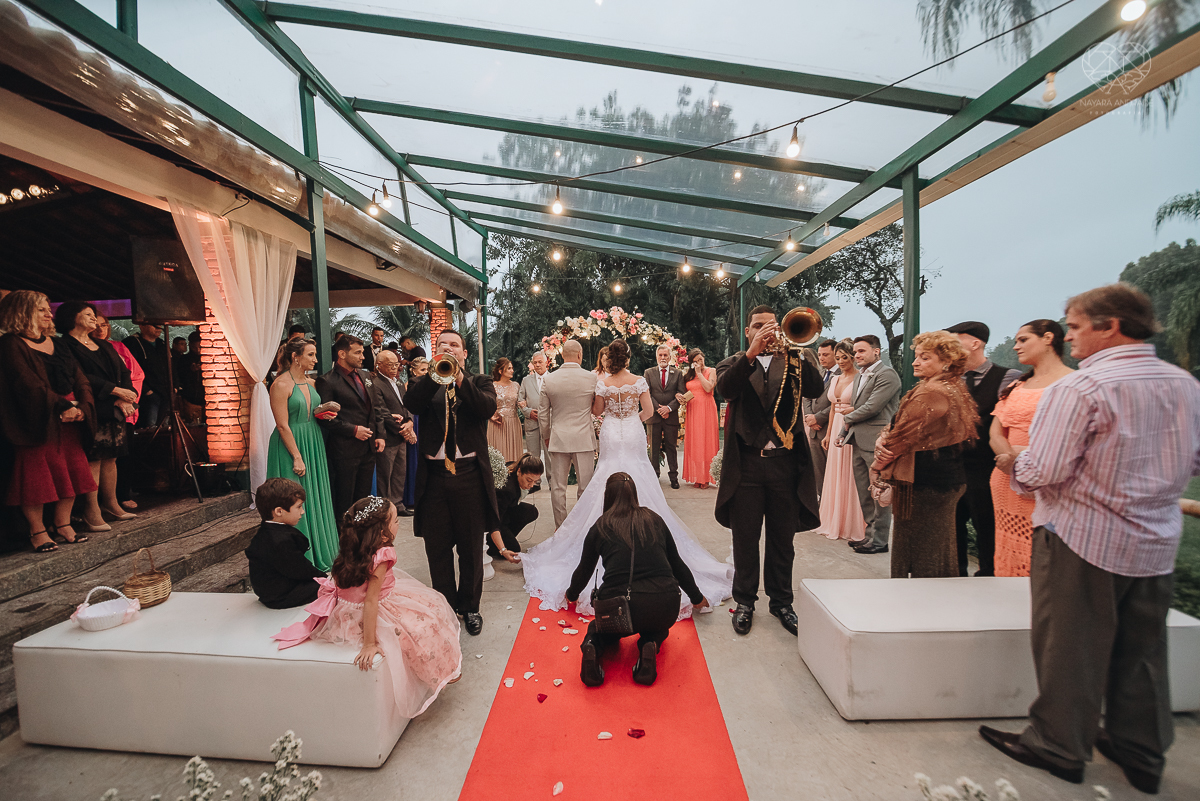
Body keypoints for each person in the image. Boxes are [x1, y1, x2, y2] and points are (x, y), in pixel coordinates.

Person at [980, 284, 1200, 793]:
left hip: (1082, 538)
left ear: (1111, 326)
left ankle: (1059, 744)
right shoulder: (1183, 383)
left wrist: (1015, 461)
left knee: (1069, 645)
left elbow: (1047, 469)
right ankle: (1140, 749)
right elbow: (1191, 462)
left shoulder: (1080, 389)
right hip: (1156, 541)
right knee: (1144, 649)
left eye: (1075, 327)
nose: (1069, 337)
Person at [524, 338, 731, 618]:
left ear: (609, 360)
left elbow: (597, 411)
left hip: (610, 430)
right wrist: (631, 419)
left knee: (606, 476)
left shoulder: (602, 383)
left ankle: (606, 527)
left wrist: (612, 415)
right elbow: (647, 411)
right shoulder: (639, 381)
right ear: (629, 358)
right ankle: (646, 529)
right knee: (639, 475)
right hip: (632, 430)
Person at [273, 496, 462, 718]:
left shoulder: (352, 546)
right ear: (382, 533)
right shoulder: (382, 556)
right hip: (372, 609)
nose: (398, 525)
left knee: (431, 609)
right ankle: (440, 672)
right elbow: (371, 601)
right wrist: (369, 644)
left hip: (346, 609)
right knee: (426, 625)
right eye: (395, 522)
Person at [714, 305, 824, 636]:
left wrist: (799, 352)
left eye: (771, 326)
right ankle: (745, 601)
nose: (766, 331)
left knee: (782, 541)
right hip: (746, 466)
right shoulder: (734, 362)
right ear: (748, 332)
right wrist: (751, 355)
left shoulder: (793, 362)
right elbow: (726, 390)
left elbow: (817, 389)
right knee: (745, 538)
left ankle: (781, 602)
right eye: (758, 326)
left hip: (784, 467)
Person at [566, 472, 710, 687]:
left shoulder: (601, 526)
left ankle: (593, 647)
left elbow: (584, 570)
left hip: (618, 607)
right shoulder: (654, 520)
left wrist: (572, 594)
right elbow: (677, 564)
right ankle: (649, 643)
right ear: (634, 494)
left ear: (607, 496)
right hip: (662, 604)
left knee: (600, 628)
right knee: (658, 627)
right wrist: (697, 597)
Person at [404, 330, 500, 636]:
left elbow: (486, 408)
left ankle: (470, 607)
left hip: (468, 473)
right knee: (438, 547)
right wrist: (436, 376)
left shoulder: (479, 381)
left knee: (471, 546)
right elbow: (413, 404)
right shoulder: (424, 382)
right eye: (442, 345)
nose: (448, 348)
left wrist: (459, 378)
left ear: (464, 353)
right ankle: (445, 607)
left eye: (454, 345)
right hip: (434, 477)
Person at [872, 332, 979, 579]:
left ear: (947, 362)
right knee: (937, 549)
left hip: (927, 484)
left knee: (924, 553)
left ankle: (921, 605)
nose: (915, 362)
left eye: (925, 357)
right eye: (917, 356)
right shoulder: (953, 386)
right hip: (942, 480)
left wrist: (876, 466)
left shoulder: (932, 391)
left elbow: (900, 438)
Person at [0, 291, 97, 551]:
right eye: (41, 310)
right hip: (38, 420)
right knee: (36, 478)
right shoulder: (11, 344)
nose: (48, 314)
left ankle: (63, 523)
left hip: (71, 418)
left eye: (48, 309)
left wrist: (83, 407)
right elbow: (26, 384)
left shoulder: (58, 343)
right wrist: (62, 406)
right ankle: (37, 530)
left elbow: (80, 377)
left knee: (72, 472)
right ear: (22, 312)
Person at [989, 320, 1073, 577]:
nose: (1016, 347)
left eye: (1023, 340)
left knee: (1045, 555)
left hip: (1049, 482)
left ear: (1048, 338)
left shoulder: (1075, 384)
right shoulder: (1017, 386)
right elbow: (995, 432)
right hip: (1005, 479)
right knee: (1007, 551)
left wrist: (1022, 461)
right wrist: (1011, 460)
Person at [946, 321, 1023, 577]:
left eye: (956, 341)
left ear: (975, 343)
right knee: (952, 531)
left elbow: (1009, 422)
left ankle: (989, 578)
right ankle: (956, 581)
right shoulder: (949, 379)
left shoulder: (1008, 378)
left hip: (986, 469)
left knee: (988, 529)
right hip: (952, 468)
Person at [56, 302, 136, 528]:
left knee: (112, 457)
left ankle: (111, 503)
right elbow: (79, 376)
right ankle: (91, 510)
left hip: (114, 408)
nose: (94, 319)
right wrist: (114, 390)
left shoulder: (104, 345)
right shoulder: (64, 345)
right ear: (73, 317)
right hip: (91, 407)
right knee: (94, 458)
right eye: (88, 314)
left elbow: (124, 372)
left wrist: (126, 396)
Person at [266, 338, 340, 571]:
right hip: (291, 445)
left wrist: (323, 413)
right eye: (311, 355)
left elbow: (309, 412)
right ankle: (300, 559)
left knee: (316, 496)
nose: (316, 359)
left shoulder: (311, 383)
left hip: (314, 441)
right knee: (294, 498)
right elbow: (282, 425)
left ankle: (322, 550)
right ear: (296, 357)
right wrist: (296, 456)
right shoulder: (280, 385)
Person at [839, 335, 902, 555]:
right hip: (857, 439)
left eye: (861, 351)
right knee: (864, 493)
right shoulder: (859, 376)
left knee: (879, 492)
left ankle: (880, 541)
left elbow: (872, 407)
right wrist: (842, 432)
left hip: (877, 442)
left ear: (877, 351)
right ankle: (869, 536)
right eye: (855, 352)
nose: (857, 356)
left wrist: (845, 420)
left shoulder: (888, 375)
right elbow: (856, 407)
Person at [315, 335, 385, 522]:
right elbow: (325, 419)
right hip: (344, 451)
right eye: (358, 353)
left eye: (362, 352)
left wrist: (380, 435)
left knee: (363, 501)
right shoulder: (327, 381)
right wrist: (354, 430)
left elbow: (375, 408)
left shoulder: (365, 376)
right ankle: (344, 542)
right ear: (342, 354)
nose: (363, 357)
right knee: (344, 501)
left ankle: (361, 540)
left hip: (368, 449)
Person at [537, 340, 599, 528]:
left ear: (562, 355)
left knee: (558, 487)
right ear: (579, 355)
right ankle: (583, 527)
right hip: (583, 439)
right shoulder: (591, 378)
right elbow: (596, 409)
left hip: (559, 438)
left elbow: (543, 414)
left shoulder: (549, 379)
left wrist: (546, 436)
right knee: (585, 487)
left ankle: (560, 528)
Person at [246, 477, 324, 609]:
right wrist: (323, 578)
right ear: (279, 511)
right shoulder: (280, 541)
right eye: (298, 507)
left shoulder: (267, 532)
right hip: (280, 595)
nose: (302, 511)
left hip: (270, 591)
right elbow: (300, 569)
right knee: (330, 587)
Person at [92, 314, 143, 512]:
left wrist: (129, 398)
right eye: (95, 325)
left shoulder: (118, 347)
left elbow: (136, 375)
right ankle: (96, 503)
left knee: (122, 454)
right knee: (99, 457)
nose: (100, 329)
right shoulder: (81, 348)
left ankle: (122, 494)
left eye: (104, 325)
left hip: (126, 406)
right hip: (103, 406)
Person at [815, 340, 865, 542]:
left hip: (851, 429)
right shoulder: (835, 379)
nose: (842, 361)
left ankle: (851, 523)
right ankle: (832, 519)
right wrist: (828, 435)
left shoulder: (861, 379)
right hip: (835, 427)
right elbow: (833, 409)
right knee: (833, 473)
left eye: (845, 357)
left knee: (851, 475)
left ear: (853, 356)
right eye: (838, 358)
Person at [371, 350, 415, 516]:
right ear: (379, 365)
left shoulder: (398, 382)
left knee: (399, 472)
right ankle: (385, 507)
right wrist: (403, 431)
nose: (395, 368)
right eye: (390, 365)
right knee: (385, 474)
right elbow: (380, 410)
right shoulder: (376, 383)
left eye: (396, 364)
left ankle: (398, 504)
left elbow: (407, 405)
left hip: (402, 434)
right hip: (388, 436)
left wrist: (409, 422)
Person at [489, 452, 544, 562]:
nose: (531, 485)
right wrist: (503, 549)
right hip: (489, 519)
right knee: (514, 549)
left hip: (505, 510)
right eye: (529, 480)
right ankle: (491, 545)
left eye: (535, 481)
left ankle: (507, 535)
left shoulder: (514, 467)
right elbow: (493, 521)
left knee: (531, 511)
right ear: (519, 471)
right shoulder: (507, 489)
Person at [644, 344, 685, 489]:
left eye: (665, 355)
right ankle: (654, 475)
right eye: (660, 355)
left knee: (671, 448)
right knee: (653, 448)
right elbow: (647, 394)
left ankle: (673, 476)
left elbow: (681, 394)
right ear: (656, 356)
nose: (663, 358)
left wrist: (668, 408)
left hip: (671, 416)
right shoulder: (648, 372)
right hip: (653, 416)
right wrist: (659, 409)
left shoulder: (678, 373)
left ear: (669, 357)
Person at [802, 339, 839, 495]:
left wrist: (818, 418)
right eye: (819, 355)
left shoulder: (843, 374)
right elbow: (807, 396)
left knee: (833, 472)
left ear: (835, 354)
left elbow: (837, 403)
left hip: (831, 428)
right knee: (818, 471)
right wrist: (810, 418)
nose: (822, 358)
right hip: (814, 430)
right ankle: (821, 500)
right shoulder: (820, 373)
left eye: (826, 354)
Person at [679, 348, 719, 488]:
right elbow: (685, 391)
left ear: (704, 359)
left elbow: (708, 388)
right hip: (693, 410)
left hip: (707, 409)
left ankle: (707, 477)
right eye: (695, 361)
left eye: (700, 360)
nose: (698, 363)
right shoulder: (688, 376)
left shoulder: (711, 371)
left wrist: (699, 374)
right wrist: (681, 398)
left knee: (707, 442)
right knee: (695, 443)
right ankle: (697, 476)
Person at [124, 322, 169, 428]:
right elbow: (129, 369)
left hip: (165, 391)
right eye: (154, 324)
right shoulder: (132, 343)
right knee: (149, 426)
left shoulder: (161, 343)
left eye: (161, 325)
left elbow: (170, 365)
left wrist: (174, 386)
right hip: (147, 393)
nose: (159, 327)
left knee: (163, 426)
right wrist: (146, 390)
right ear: (142, 326)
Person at [517, 351, 549, 493]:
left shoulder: (553, 379)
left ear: (546, 362)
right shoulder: (526, 380)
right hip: (532, 423)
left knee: (550, 454)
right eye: (535, 362)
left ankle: (553, 480)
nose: (537, 365)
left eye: (539, 362)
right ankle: (534, 483)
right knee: (533, 455)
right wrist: (528, 412)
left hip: (549, 423)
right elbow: (520, 400)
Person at [402, 356, 427, 511]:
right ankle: (410, 497)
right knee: (413, 460)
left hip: (425, 422)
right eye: (422, 370)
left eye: (428, 370)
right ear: (413, 371)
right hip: (414, 422)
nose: (425, 373)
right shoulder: (407, 386)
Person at [487, 357, 523, 464]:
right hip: (497, 424)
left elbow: (521, 402)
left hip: (513, 424)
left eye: (512, 368)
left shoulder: (516, 385)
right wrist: (491, 416)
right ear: (500, 371)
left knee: (514, 456)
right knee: (498, 454)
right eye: (509, 368)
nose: (512, 370)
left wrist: (523, 404)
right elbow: (486, 405)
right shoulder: (492, 386)